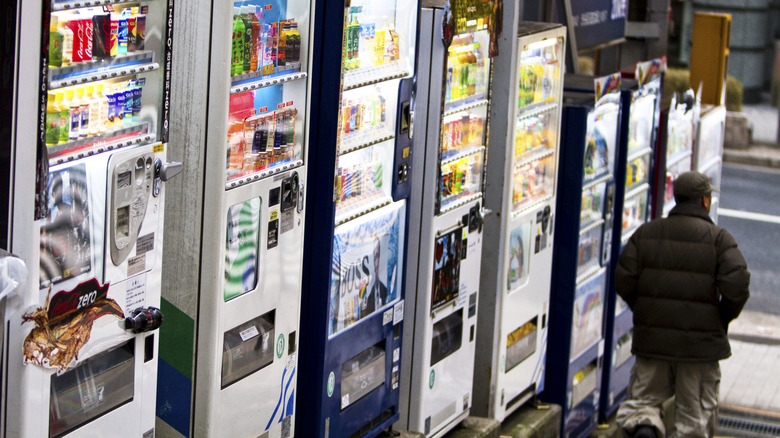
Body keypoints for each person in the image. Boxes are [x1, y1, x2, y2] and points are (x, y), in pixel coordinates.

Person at [614, 171, 750, 438]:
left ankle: (646, 430)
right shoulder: (719, 239)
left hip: (653, 342)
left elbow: (623, 278)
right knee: (693, 419)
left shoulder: (647, 233)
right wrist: (720, 320)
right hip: (699, 351)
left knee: (643, 405)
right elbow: (737, 287)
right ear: (705, 201)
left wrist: (646, 312)